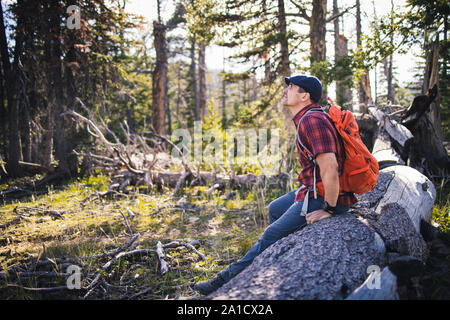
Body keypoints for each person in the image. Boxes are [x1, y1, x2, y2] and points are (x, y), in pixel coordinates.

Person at [193, 75, 357, 295]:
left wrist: (327, 209)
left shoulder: (312, 120)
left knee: (271, 234)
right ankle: (282, 259)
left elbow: (330, 167)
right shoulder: (307, 118)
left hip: (323, 196)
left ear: (304, 95)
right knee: (275, 209)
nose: (285, 90)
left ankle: (226, 280)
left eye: (291, 87)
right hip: (311, 190)